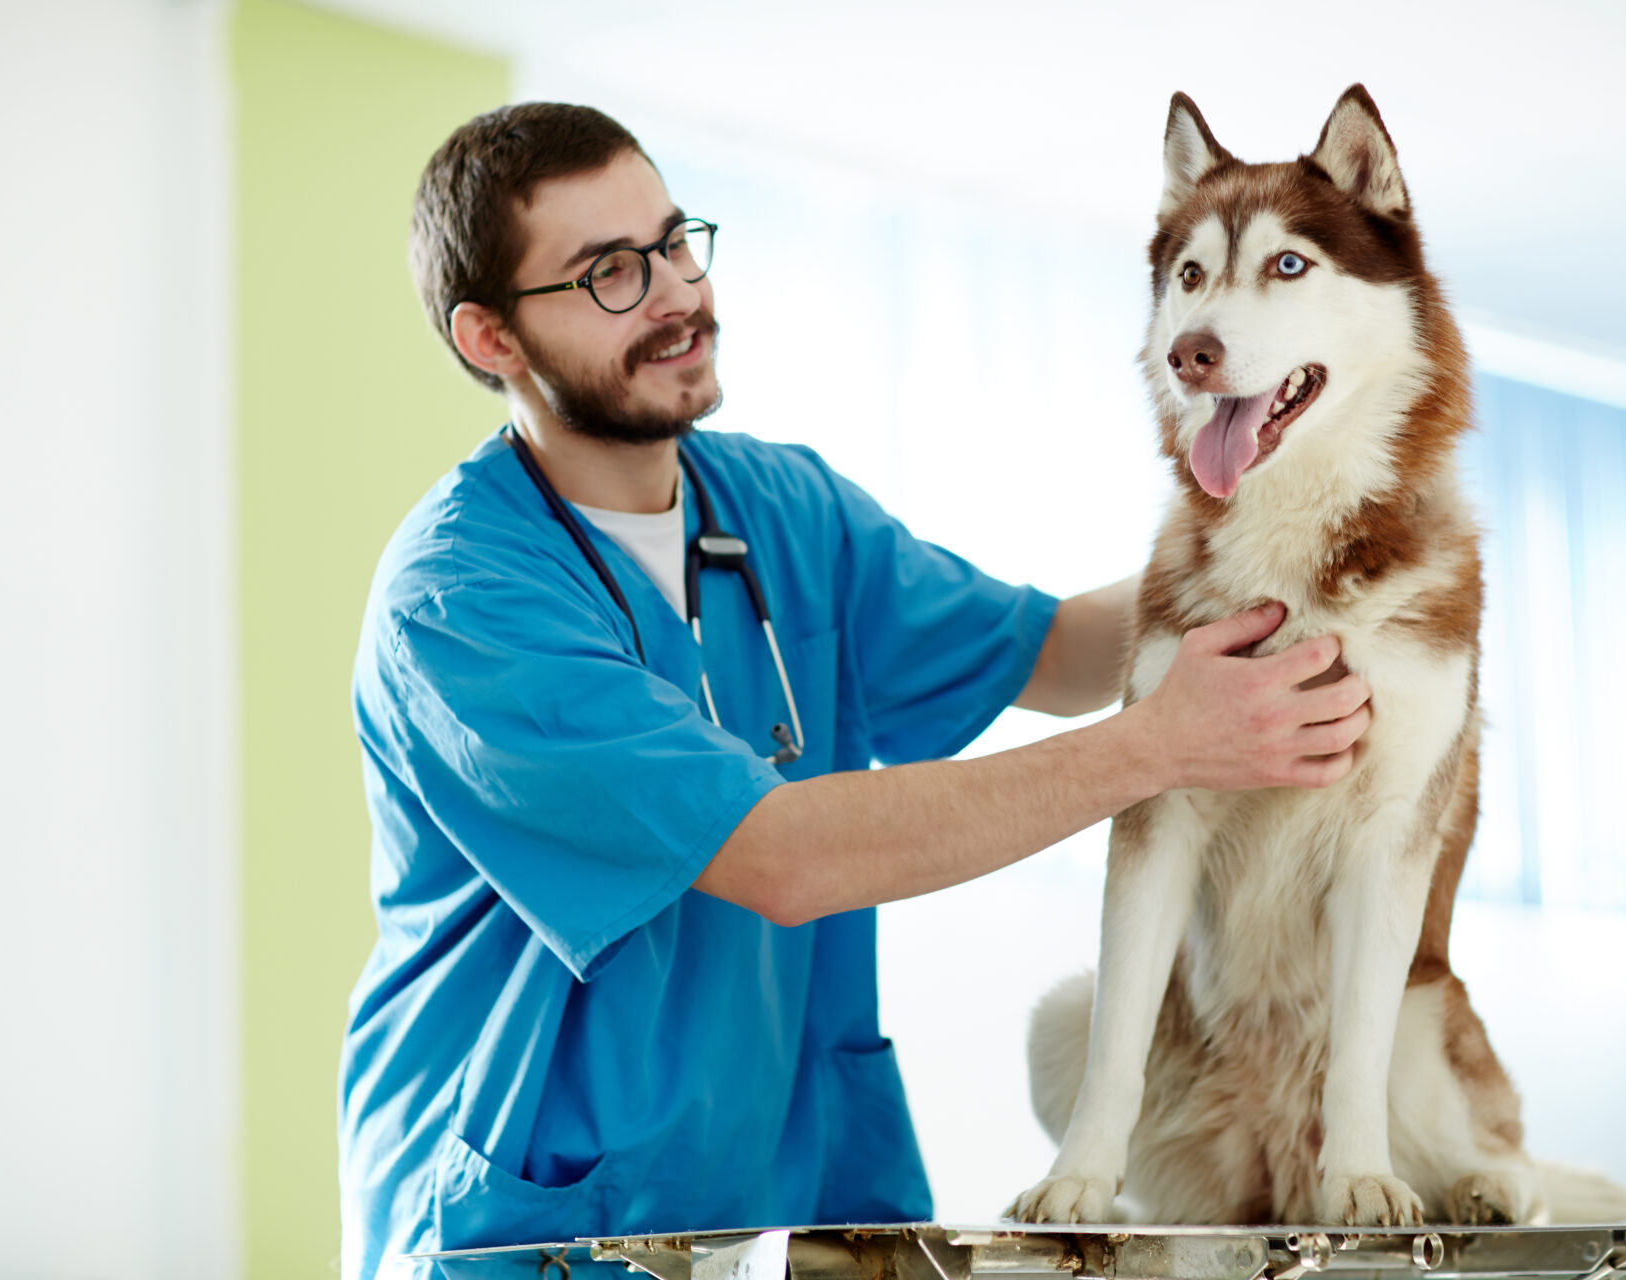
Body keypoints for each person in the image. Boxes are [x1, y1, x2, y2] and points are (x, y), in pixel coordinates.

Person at [337, 102, 1373, 1278]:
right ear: (490, 340)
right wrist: (1162, 744)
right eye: (610, 274)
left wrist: (1305, 528)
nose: (677, 292)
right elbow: (782, 858)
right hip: (545, 1224)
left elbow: (1058, 649)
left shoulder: (785, 510)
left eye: (676, 243)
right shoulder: (464, 598)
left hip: (788, 1194)